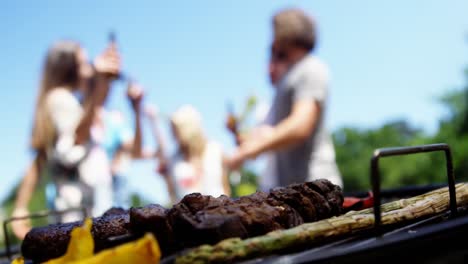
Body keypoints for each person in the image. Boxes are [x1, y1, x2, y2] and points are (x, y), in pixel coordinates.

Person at [11, 40, 120, 239]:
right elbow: (79, 135)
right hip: (80, 208)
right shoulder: (60, 99)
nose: (88, 67)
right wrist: (99, 77)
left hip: (80, 205)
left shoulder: (64, 100)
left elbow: (38, 160)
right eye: (84, 63)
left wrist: (103, 80)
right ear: (70, 68)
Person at [226, 8, 343, 190]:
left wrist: (250, 150)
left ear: (287, 32)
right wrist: (242, 137)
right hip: (294, 188)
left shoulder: (310, 68)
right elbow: (270, 134)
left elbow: (300, 125)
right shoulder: (289, 76)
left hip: (315, 186)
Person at [146, 105, 231, 203]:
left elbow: (225, 187)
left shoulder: (215, 150)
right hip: (186, 216)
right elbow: (172, 194)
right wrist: (153, 123)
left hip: (218, 213)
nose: (173, 133)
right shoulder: (174, 160)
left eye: (176, 128)